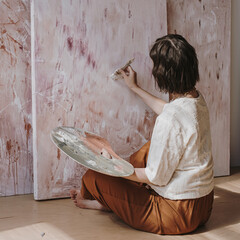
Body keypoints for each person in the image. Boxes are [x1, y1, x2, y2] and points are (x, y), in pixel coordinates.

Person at [70, 34, 214, 235]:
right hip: (204, 206)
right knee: (146, 151)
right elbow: (169, 111)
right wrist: (134, 88)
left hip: (174, 214)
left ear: (162, 75)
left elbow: (156, 178)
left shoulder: (169, 121)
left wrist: (114, 164)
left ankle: (103, 202)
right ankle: (115, 201)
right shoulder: (196, 100)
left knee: (95, 177)